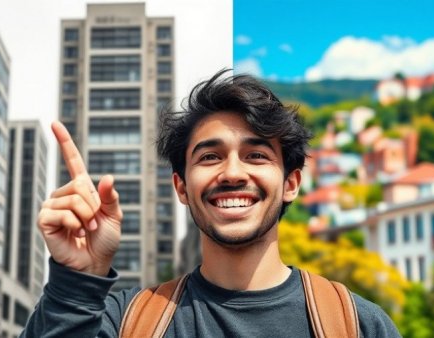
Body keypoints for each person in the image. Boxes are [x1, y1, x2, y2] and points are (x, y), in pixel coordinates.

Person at [21, 70, 401, 337]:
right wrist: (76, 280)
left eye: (256, 156)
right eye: (209, 157)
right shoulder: (124, 323)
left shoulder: (358, 324)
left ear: (291, 183)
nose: (232, 173)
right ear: (181, 187)